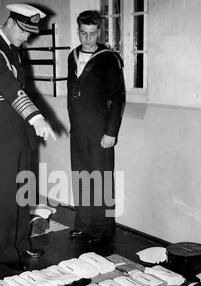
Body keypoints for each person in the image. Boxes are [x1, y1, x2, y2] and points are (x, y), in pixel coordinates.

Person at [0, 4, 56, 271]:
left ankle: (21, 242)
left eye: (30, 33)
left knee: (22, 192)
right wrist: (35, 117)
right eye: (23, 31)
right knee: (3, 197)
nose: (26, 38)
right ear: (10, 22)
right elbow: (8, 88)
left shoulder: (10, 49)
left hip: (17, 137)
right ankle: (7, 252)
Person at [67, 10, 126, 245]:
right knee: (81, 176)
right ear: (79, 31)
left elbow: (118, 97)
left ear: (99, 32)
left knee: (100, 179)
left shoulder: (108, 58)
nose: (88, 39)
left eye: (92, 34)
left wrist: (111, 132)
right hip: (78, 130)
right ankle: (83, 224)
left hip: (101, 130)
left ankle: (101, 229)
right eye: (83, 33)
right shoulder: (72, 56)